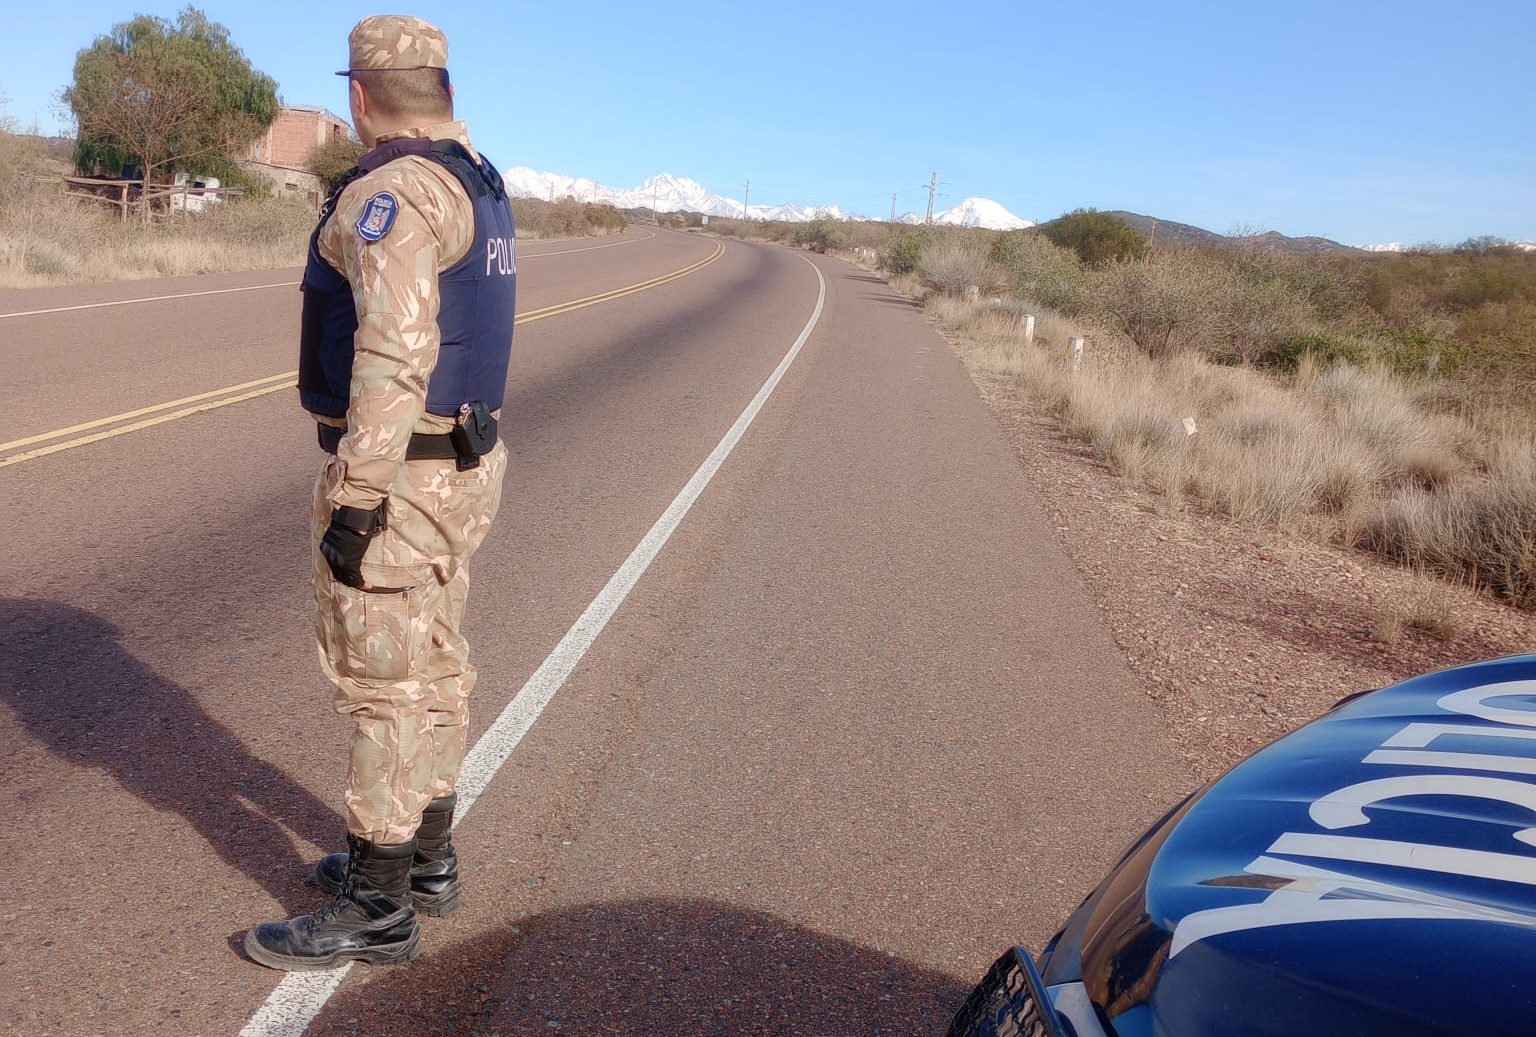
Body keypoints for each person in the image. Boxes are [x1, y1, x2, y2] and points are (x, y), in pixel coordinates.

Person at [245, 14, 517, 971]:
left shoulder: (396, 194)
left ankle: (378, 901)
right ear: (443, 90)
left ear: (359, 98)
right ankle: (427, 857)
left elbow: (394, 352)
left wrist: (357, 498)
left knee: (382, 681)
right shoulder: (476, 183)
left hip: (404, 477)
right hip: (465, 468)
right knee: (436, 655)